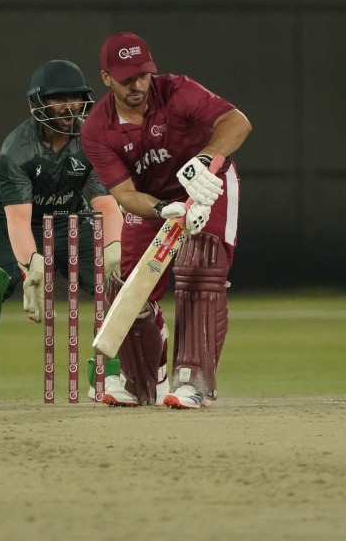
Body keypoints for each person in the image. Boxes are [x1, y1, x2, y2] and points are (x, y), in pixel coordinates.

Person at [80, 32, 252, 409]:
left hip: (209, 188)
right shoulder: (96, 128)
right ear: (106, 78)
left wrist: (206, 159)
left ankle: (194, 381)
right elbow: (124, 195)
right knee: (130, 289)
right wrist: (161, 210)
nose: (137, 85)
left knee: (200, 265)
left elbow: (237, 122)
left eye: (142, 75)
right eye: (126, 78)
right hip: (153, 201)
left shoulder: (177, 90)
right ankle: (143, 381)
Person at [0, 60, 124, 405]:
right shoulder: (17, 150)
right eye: (58, 98)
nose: (68, 106)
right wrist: (31, 267)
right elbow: (17, 219)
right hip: (13, 223)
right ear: (39, 102)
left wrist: (115, 248)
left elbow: (105, 203)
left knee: (117, 278)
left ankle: (109, 374)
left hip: (71, 220)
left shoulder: (92, 140)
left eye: (75, 98)